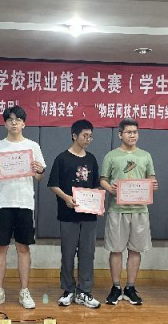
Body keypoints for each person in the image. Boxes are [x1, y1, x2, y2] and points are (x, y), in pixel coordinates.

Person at [0, 106, 46, 309]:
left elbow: (39, 177)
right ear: (5, 123)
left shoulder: (33, 146)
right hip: (3, 203)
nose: (14, 123)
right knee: (0, 247)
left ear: (24, 123)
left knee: (23, 248)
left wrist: (39, 171)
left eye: (18, 119)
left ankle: (24, 291)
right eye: (10, 119)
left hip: (25, 203)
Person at [100, 118, 158, 306]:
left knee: (135, 250)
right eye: (129, 132)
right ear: (120, 134)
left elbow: (151, 178)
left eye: (135, 132)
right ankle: (116, 287)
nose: (133, 135)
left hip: (140, 210)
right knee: (116, 250)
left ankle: (130, 287)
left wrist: (153, 185)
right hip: (117, 209)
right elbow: (103, 179)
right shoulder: (111, 156)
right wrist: (110, 189)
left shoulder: (145, 156)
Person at [48, 119, 101, 309]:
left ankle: (84, 291)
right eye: (85, 136)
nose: (88, 139)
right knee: (68, 254)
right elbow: (53, 184)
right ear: (74, 135)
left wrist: (97, 201)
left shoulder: (91, 159)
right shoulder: (62, 158)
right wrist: (66, 198)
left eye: (90, 136)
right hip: (68, 214)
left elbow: (95, 185)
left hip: (89, 215)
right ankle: (68, 289)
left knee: (87, 254)